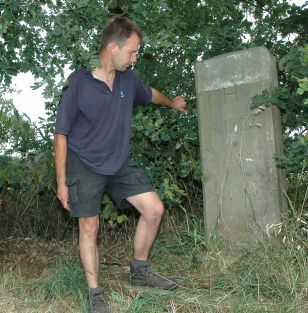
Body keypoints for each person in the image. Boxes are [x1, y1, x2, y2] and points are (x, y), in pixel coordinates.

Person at [53, 16, 187, 313]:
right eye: (132, 51)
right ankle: (95, 293)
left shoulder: (128, 79)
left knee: (154, 209)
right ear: (113, 47)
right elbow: (60, 134)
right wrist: (61, 181)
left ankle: (140, 271)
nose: (135, 57)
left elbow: (149, 94)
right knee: (89, 224)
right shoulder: (79, 82)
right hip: (85, 161)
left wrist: (172, 103)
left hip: (118, 160)